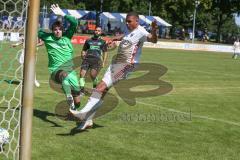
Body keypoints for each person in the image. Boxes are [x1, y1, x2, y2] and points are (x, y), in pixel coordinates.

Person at [70, 11, 158, 130]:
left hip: (127, 66)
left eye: (129, 21)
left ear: (137, 21)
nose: (127, 23)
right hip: (116, 64)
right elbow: (125, 35)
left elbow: (153, 40)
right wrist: (115, 38)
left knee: (100, 87)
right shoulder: (129, 29)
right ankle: (88, 120)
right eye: (126, 21)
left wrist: (154, 30)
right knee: (103, 91)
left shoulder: (141, 31)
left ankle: (83, 112)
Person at [38, 4, 80, 110]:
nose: (57, 31)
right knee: (64, 75)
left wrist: (62, 14)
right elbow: (34, 30)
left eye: (59, 29)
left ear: (62, 30)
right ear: (52, 30)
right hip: (55, 70)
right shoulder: (47, 38)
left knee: (78, 101)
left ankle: (73, 110)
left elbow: (74, 22)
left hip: (71, 71)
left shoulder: (67, 37)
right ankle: (69, 97)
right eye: (55, 29)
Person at [79, 26, 108, 95]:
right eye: (96, 30)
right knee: (81, 74)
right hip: (87, 59)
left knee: (93, 75)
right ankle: (81, 91)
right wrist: (82, 54)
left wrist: (103, 62)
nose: (97, 31)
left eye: (98, 30)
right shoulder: (88, 40)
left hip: (96, 61)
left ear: (101, 32)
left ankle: (95, 88)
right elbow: (84, 49)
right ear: (94, 31)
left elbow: (105, 52)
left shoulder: (103, 42)